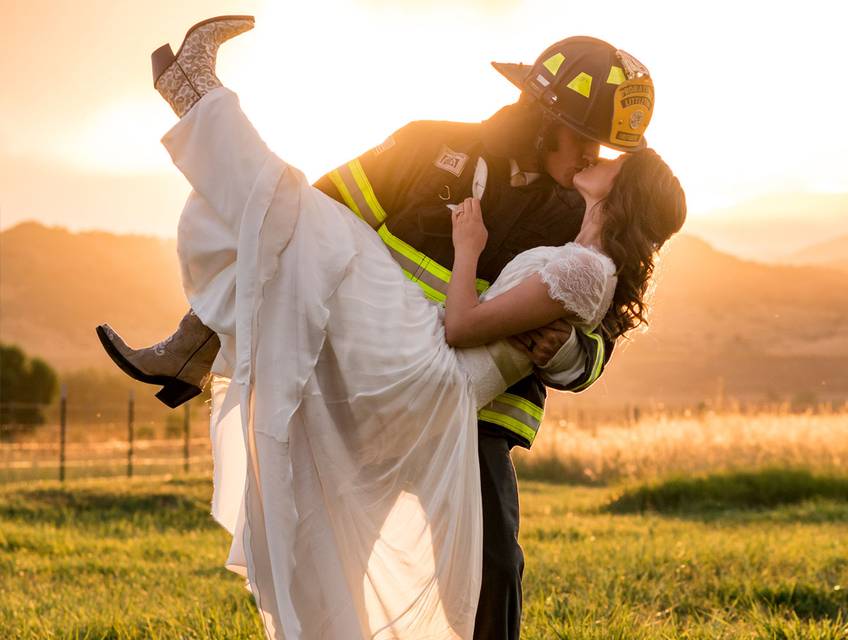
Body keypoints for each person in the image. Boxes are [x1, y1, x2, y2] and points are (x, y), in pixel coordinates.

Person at [98, 23, 658, 638]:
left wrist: (567, 349)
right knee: (334, 558)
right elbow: (304, 230)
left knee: (492, 567)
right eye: (585, 138)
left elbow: (597, 337)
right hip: (365, 388)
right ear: (543, 116)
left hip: (476, 416)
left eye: (604, 150)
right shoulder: (429, 145)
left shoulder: (585, 214)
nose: (592, 158)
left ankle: (197, 99)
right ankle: (195, 316)